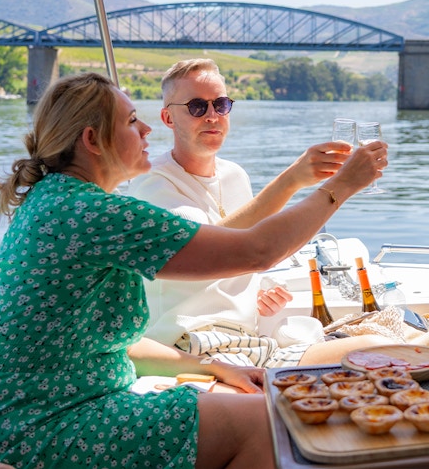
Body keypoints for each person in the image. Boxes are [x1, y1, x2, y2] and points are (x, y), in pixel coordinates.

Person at [0, 72, 386, 469]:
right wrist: (340, 187)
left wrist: (213, 368)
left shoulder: (54, 200)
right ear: (92, 140)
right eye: (132, 121)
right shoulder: (93, 213)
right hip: (40, 427)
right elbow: (258, 250)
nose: (147, 130)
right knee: (266, 423)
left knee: (260, 408)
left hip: (7, 417)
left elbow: (101, 346)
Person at [130, 58, 391, 368]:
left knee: (389, 344)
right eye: (197, 107)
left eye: (221, 104)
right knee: (376, 353)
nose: (213, 116)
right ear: (168, 118)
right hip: (192, 344)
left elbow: (246, 254)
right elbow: (207, 249)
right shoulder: (152, 183)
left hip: (248, 340)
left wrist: (258, 288)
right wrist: (292, 180)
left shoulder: (235, 175)